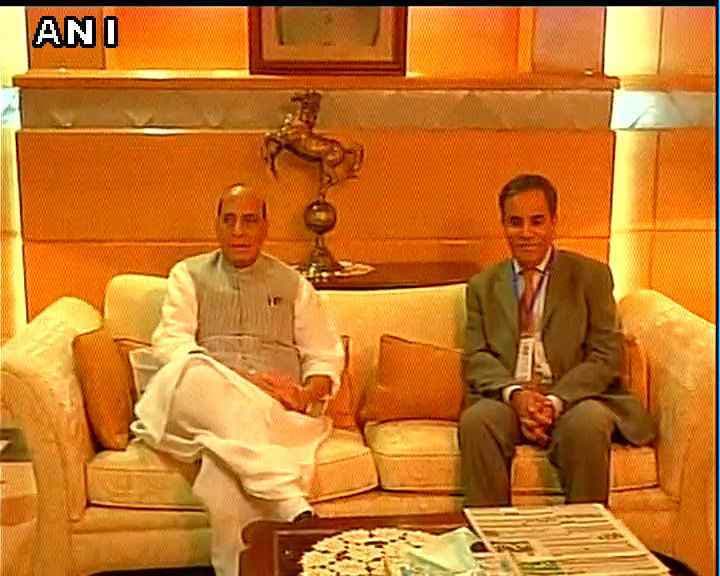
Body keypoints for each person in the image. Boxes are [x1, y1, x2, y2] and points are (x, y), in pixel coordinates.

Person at [131, 183, 345, 576]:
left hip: (269, 411)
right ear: (216, 225)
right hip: (204, 400)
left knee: (224, 472)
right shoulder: (187, 275)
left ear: (265, 227)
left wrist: (303, 394)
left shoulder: (294, 285)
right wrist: (238, 378)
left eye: (249, 221)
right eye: (228, 220)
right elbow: (172, 343)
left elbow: (324, 355)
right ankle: (286, 497)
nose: (238, 231)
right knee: (192, 371)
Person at [458, 174, 655, 507]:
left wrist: (554, 401)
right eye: (515, 223)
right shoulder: (482, 285)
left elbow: (606, 355)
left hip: (574, 398)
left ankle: (585, 532)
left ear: (553, 222)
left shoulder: (591, 277)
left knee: (588, 424)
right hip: (509, 399)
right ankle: (492, 533)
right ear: (503, 225)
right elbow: (477, 356)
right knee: (477, 421)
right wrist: (516, 395)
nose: (526, 233)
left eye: (537, 221)